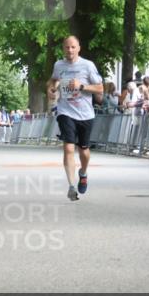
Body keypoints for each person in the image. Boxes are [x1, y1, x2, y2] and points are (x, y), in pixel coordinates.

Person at [46, 35, 104, 201]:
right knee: (69, 148)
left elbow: (100, 88)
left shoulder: (87, 65)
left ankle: (83, 173)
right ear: (63, 49)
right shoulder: (59, 65)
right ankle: (71, 186)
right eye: (67, 47)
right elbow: (53, 81)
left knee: (84, 151)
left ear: (79, 48)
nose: (70, 50)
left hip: (85, 113)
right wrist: (51, 89)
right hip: (66, 111)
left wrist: (82, 86)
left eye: (73, 47)